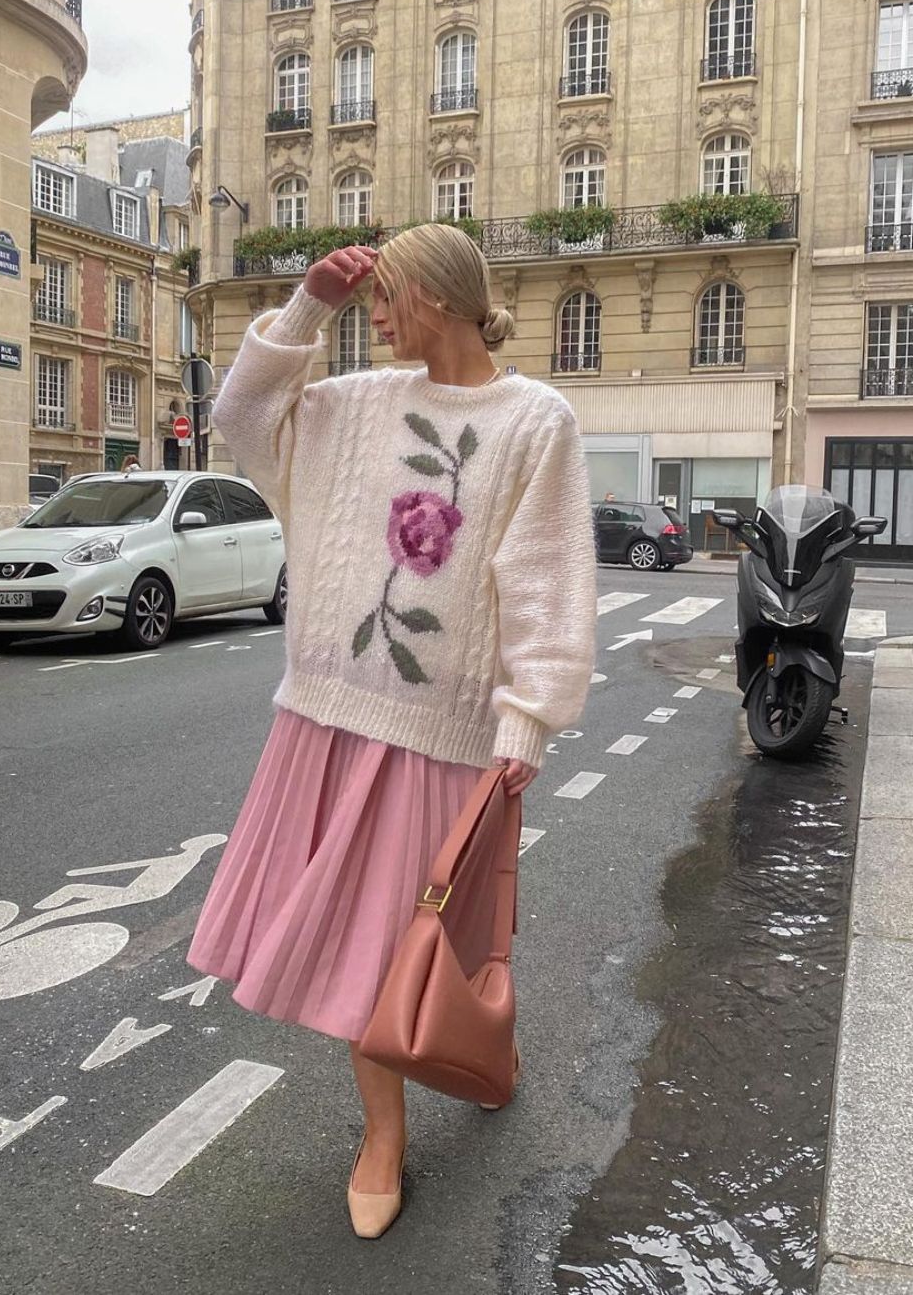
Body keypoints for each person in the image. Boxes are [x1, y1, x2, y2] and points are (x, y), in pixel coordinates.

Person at [187, 223, 596, 1239]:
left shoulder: (534, 419)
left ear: (440, 296)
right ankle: (383, 1136)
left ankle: (475, 1048)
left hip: (442, 732)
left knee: (439, 937)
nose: (374, 320)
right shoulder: (351, 404)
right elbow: (238, 414)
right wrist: (310, 304)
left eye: (385, 299)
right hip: (324, 720)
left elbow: (544, 577)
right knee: (372, 952)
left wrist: (526, 723)